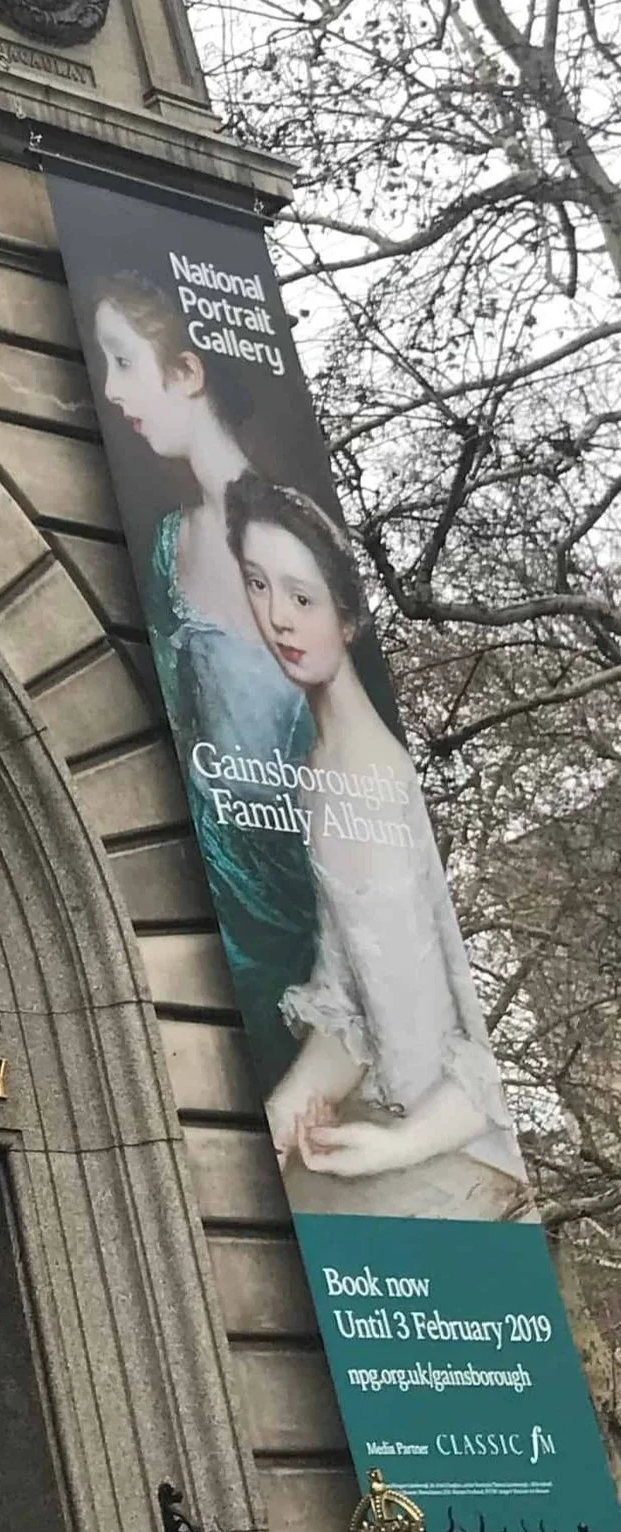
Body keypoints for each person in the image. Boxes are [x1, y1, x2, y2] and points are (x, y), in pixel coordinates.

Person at [227, 476, 529, 1209]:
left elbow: (474, 1058)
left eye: (302, 598)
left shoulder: (385, 782)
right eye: (258, 586)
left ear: (350, 619)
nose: (276, 619)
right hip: (380, 1131)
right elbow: (350, 1007)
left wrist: (395, 1145)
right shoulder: (317, 774)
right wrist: (278, 1115)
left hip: (452, 1148)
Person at [86, 274, 316, 1084]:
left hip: (291, 914)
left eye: (123, 362)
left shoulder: (294, 538)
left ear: (187, 372)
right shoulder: (162, 544)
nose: (111, 391)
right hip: (209, 901)